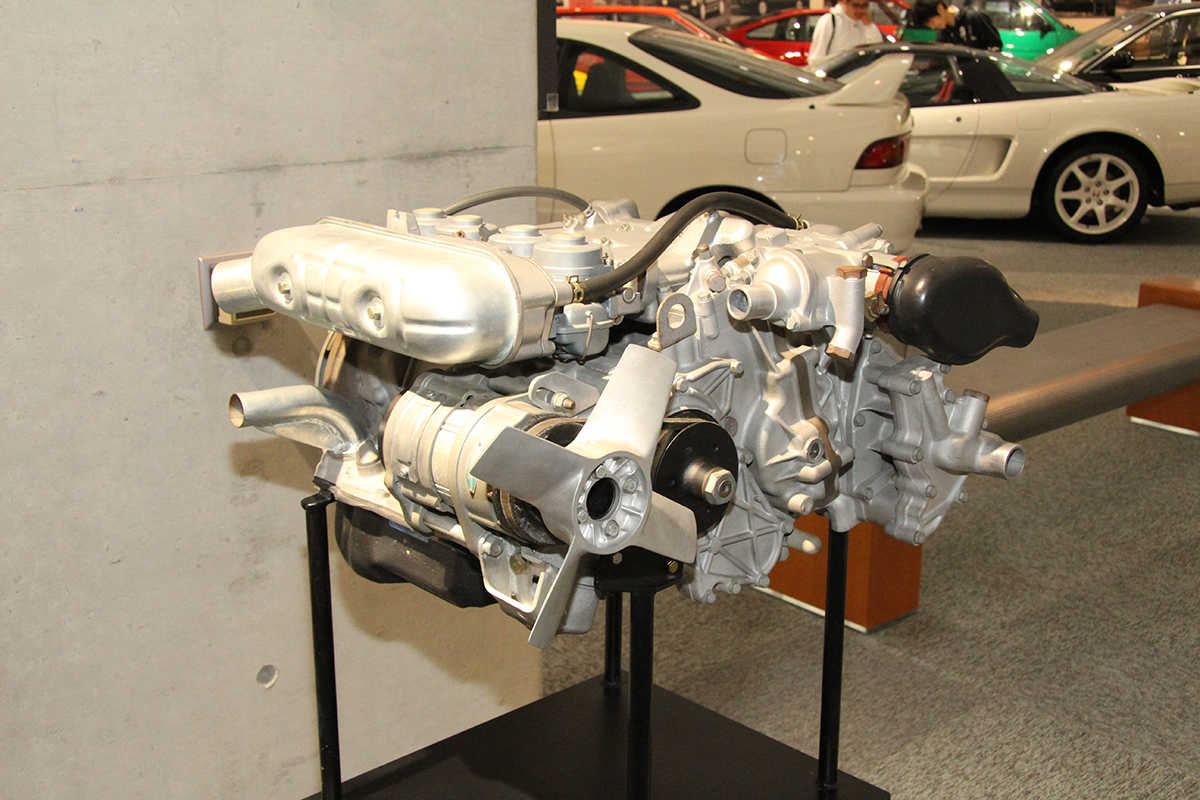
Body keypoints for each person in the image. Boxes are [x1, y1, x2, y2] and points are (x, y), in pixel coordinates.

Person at [807, 0, 884, 68]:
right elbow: (816, 58)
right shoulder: (830, 21)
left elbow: (877, 50)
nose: (860, 10)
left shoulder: (864, 24)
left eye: (864, 6)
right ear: (845, 2)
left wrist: (868, 26)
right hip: (835, 75)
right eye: (856, 5)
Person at [909, 0, 1003, 51]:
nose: (933, 27)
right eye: (929, 25)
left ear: (940, 9)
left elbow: (996, 47)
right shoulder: (943, 34)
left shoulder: (974, 18)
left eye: (932, 21)